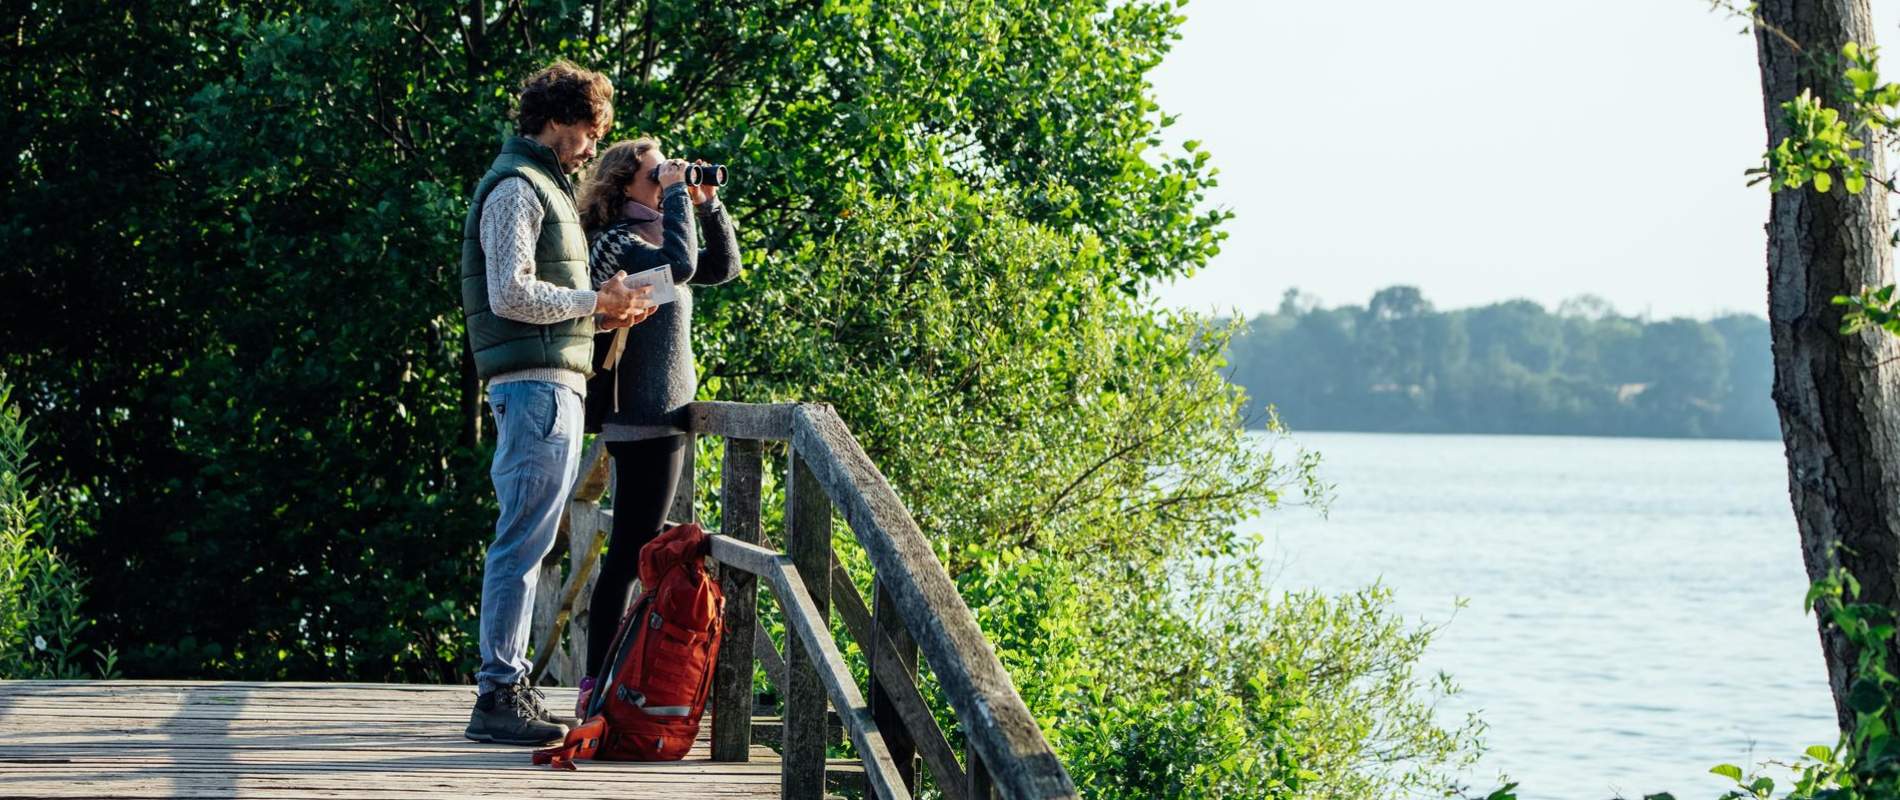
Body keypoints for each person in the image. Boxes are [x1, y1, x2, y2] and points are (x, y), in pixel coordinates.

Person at [457, 61, 655, 746]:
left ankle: (507, 688)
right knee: (523, 539)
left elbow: (539, 306)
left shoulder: (542, 183)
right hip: (535, 386)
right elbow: (509, 293)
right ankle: (498, 693)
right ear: (558, 118)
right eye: (590, 131)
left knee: (532, 537)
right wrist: (592, 301)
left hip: (550, 379)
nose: (594, 148)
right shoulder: (517, 187)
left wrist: (605, 316)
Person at [571, 137, 742, 716]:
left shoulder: (656, 236)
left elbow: (719, 267)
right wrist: (676, 198)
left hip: (659, 416)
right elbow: (685, 265)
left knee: (633, 552)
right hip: (641, 417)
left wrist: (706, 204)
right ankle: (601, 688)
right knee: (630, 555)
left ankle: (612, 683)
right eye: (653, 174)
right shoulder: (616, 242)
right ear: (624, 185)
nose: (663, 180)